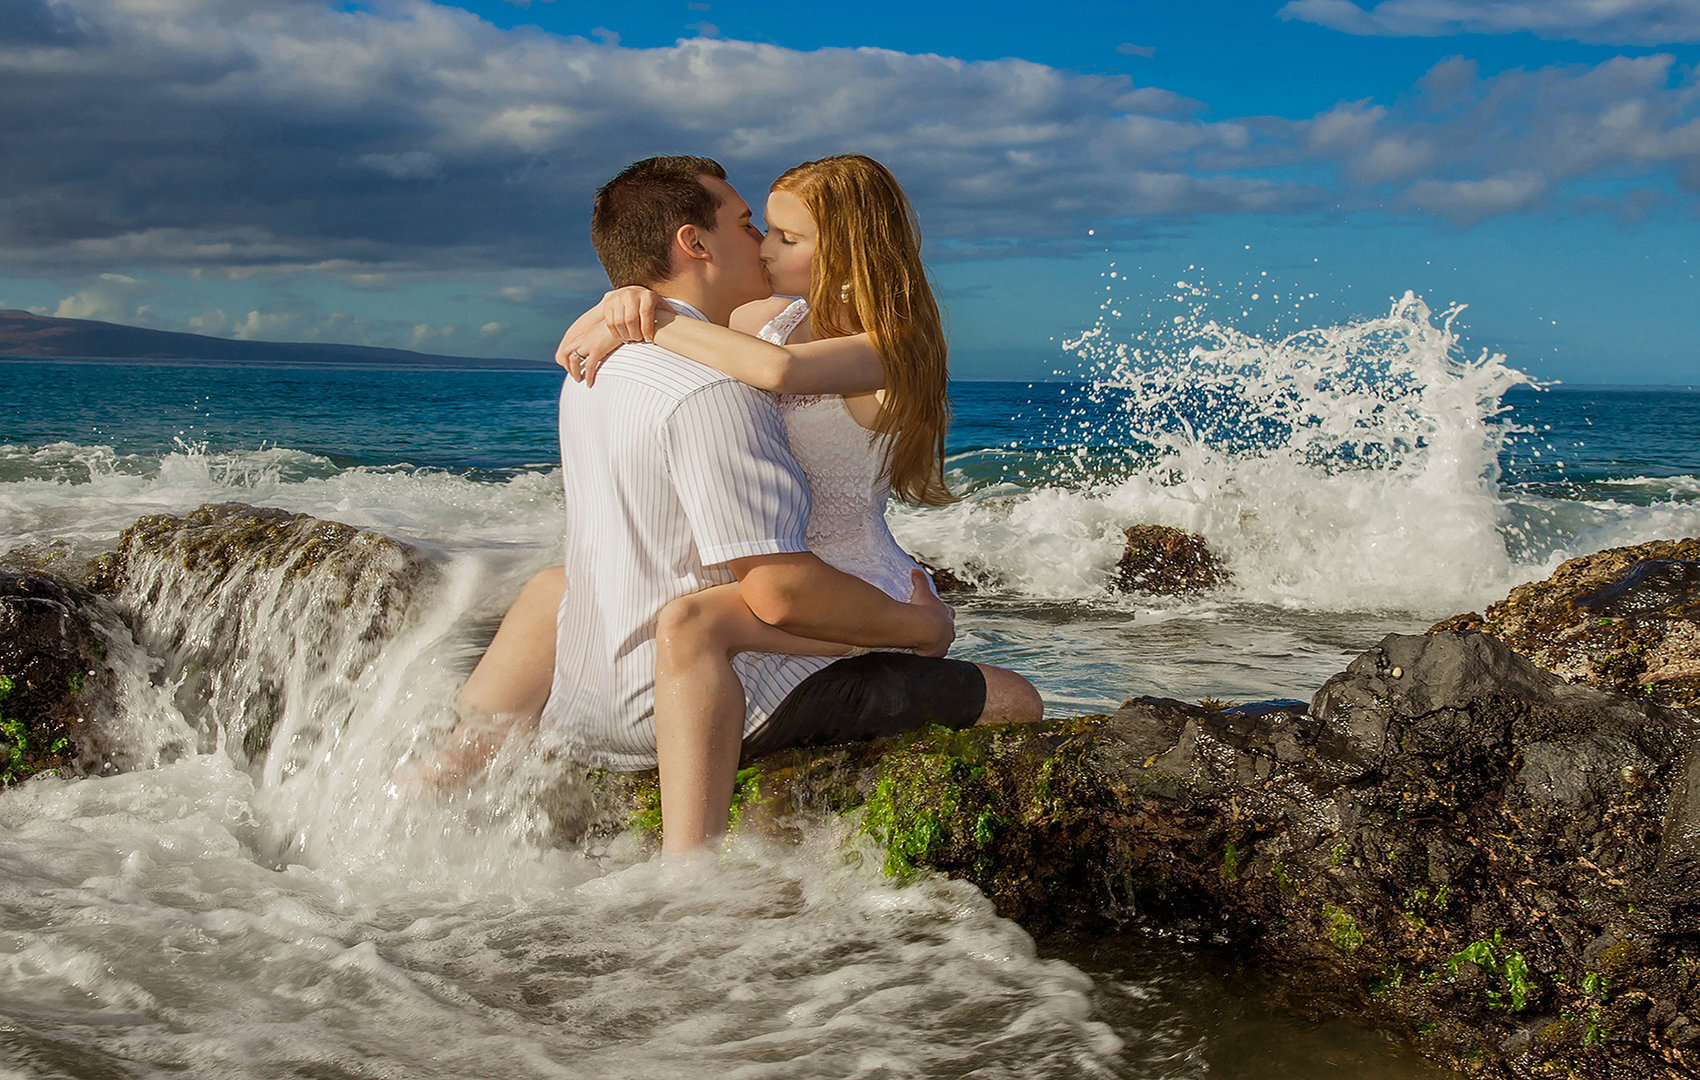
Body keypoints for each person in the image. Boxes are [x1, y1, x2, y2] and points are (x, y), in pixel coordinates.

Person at [406, 155, 1041, 852]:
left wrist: (641, 315)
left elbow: (778, 373)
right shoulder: (763, 316)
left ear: (852, 257)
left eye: (785, 239)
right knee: (556, 587)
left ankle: (691, 865)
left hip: (844, 579)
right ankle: (428, 787)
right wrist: (624, 300)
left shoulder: (891, 346)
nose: (765, 249)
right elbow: (693, 310)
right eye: (760, 230)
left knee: (695, 623)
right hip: (774, 570)